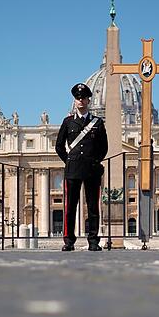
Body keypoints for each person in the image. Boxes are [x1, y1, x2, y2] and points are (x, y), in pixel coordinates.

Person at [55, 83, 108, 251]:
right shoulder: (68, 122)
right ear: (75, 101)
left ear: (88, 100)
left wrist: (95, 161)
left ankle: (93, 241)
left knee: (93, 207)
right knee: (70, 207)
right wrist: (69, 160)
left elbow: (104, 147)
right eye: (78, 98)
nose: (81, 101)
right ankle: (69, 241)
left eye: (83, 98)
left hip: (91, 170)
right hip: (73, 170)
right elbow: (59, 146)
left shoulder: (97, 123)